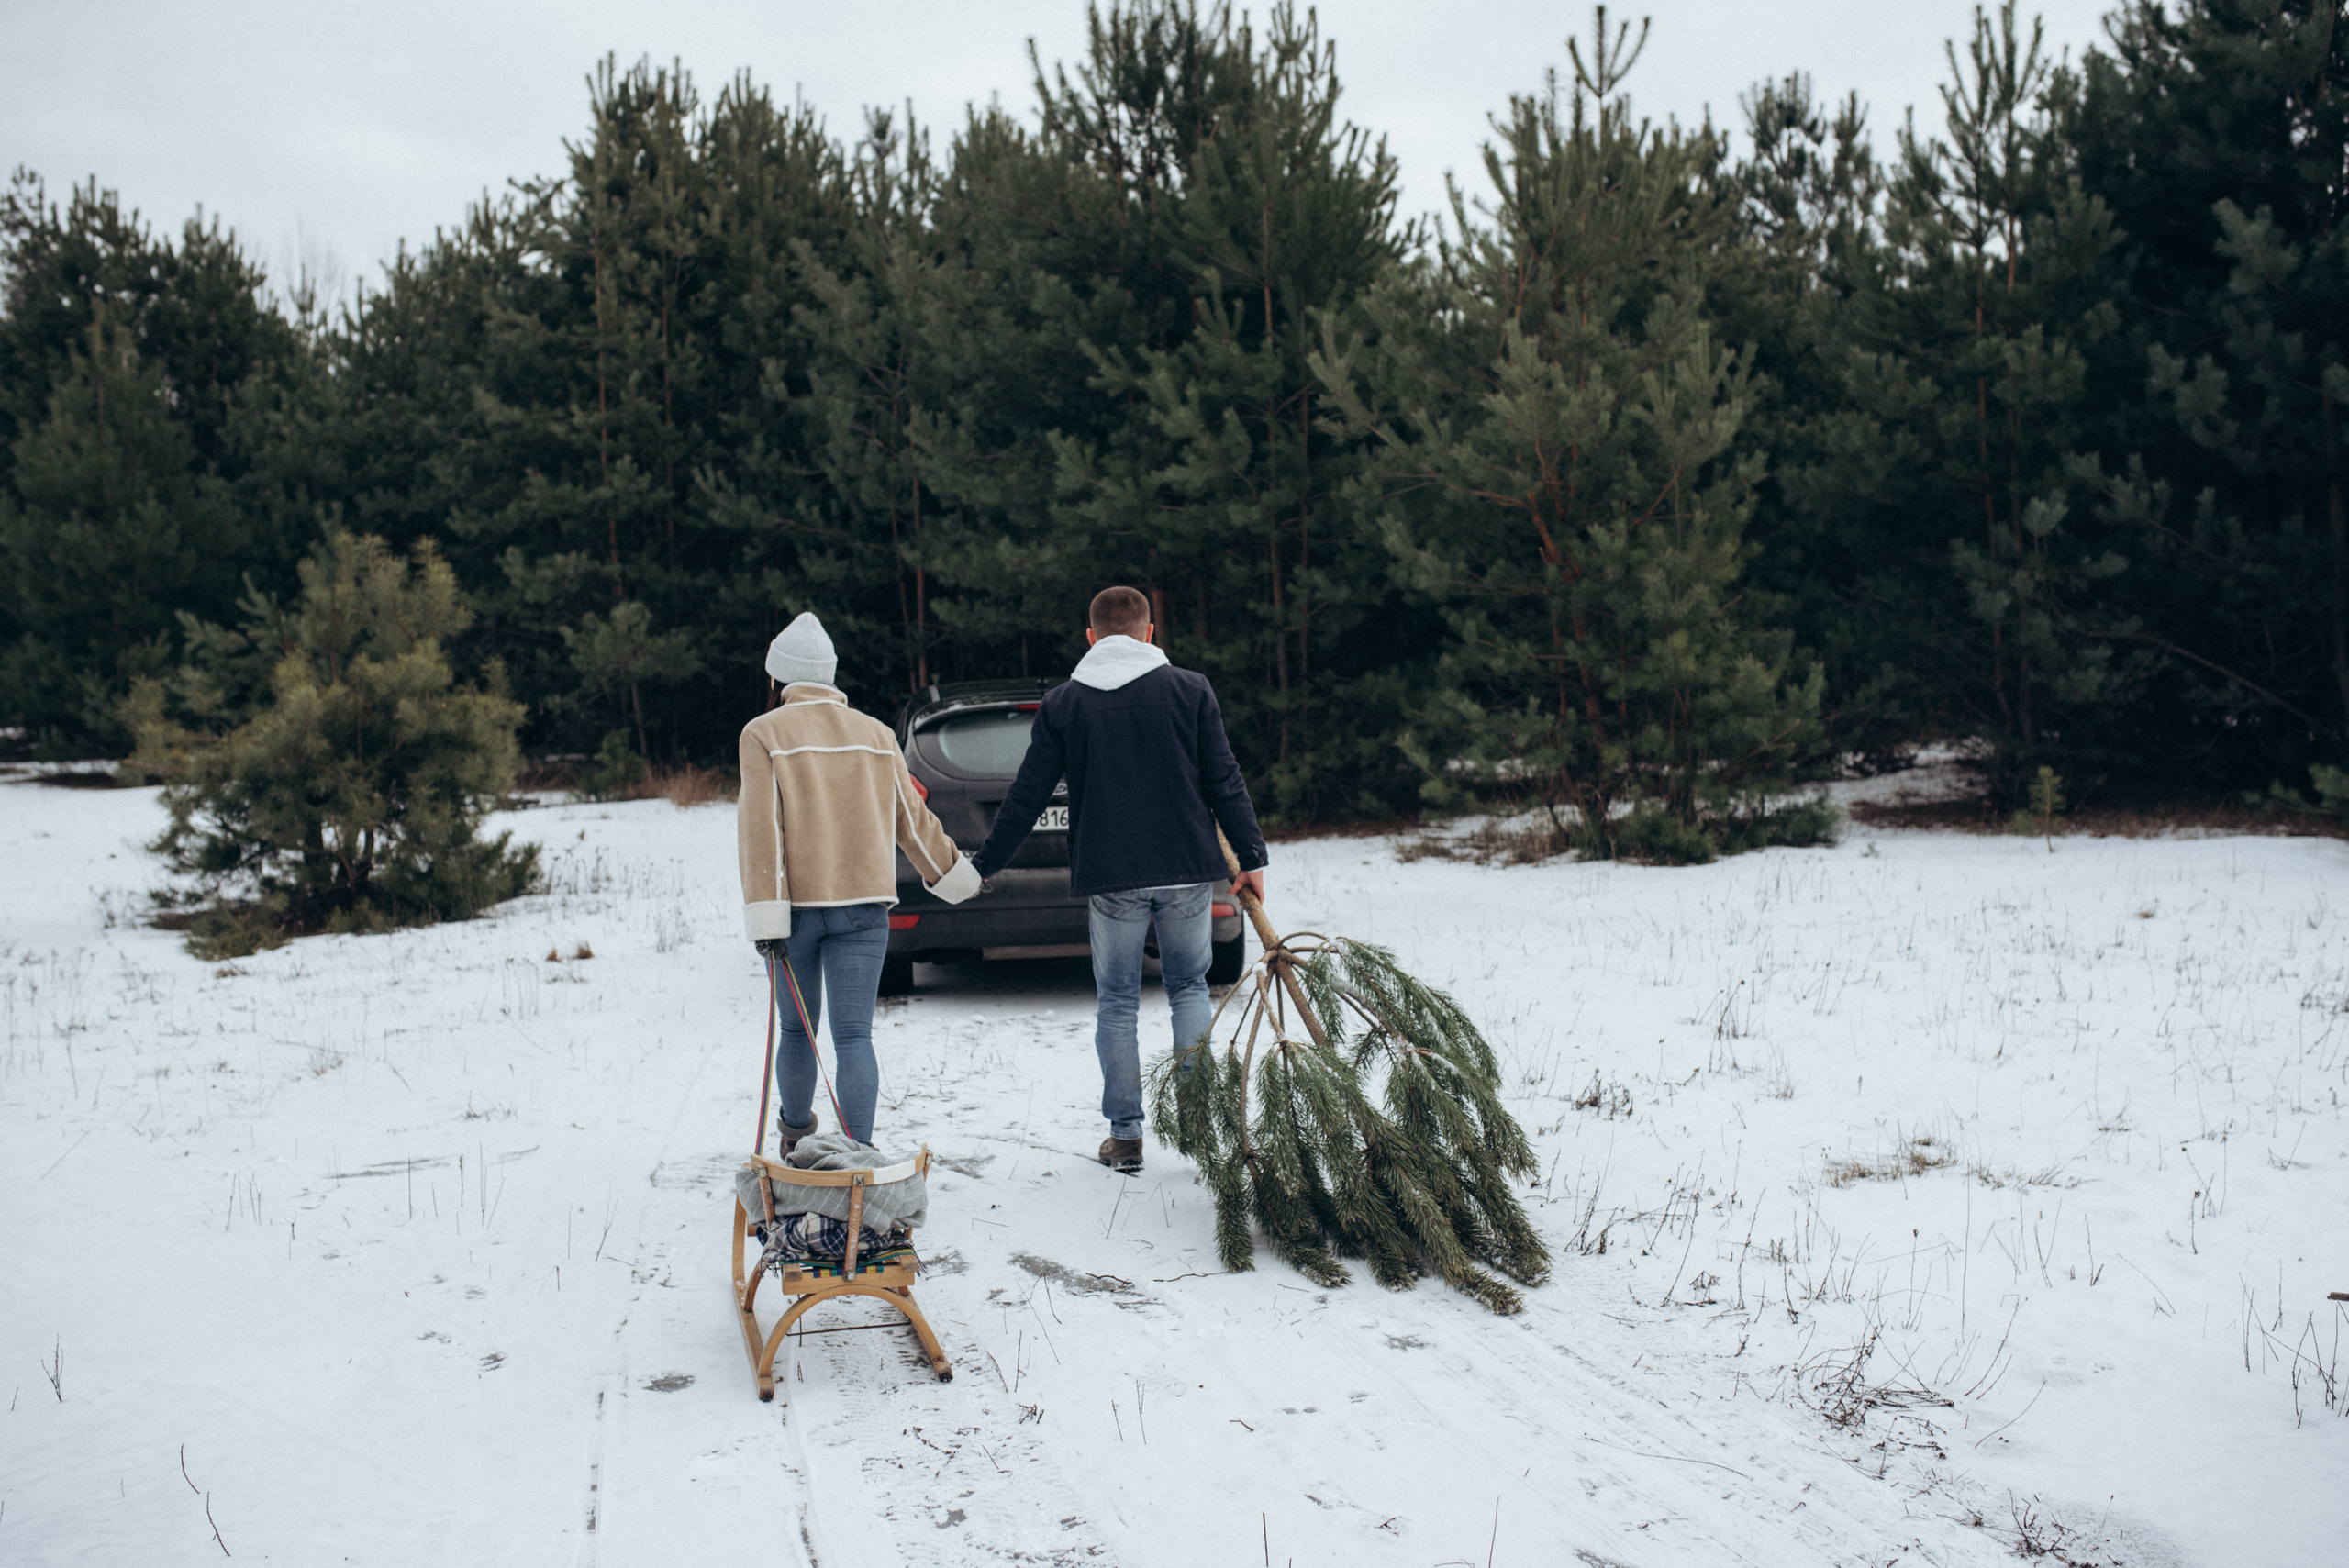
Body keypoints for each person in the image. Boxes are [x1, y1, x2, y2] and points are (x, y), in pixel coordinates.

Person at [970, 585, 1269, 1173]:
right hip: (1185, 867)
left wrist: (986, 863)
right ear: (1150, 633)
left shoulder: (1064, 704)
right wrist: (1252, 856)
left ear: (1091, 638)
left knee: (1117, 1002)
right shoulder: (1191, 689)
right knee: (1189, 989)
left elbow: (1028, 794)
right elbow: (1224, 779)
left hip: (1111, 875)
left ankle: (1126, 1138)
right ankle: (1199, 1129)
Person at [737, 611, 980, 1150]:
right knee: (854, 1036)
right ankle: (858, 1153)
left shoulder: (762, 733)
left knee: (798, 1031)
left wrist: (766, 917)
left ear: (778, 677)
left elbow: (762, 831)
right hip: (865, 909)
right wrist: (953, 874)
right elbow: (912, 821)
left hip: (794, 913)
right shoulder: (876, 734)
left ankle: (794, 1137)